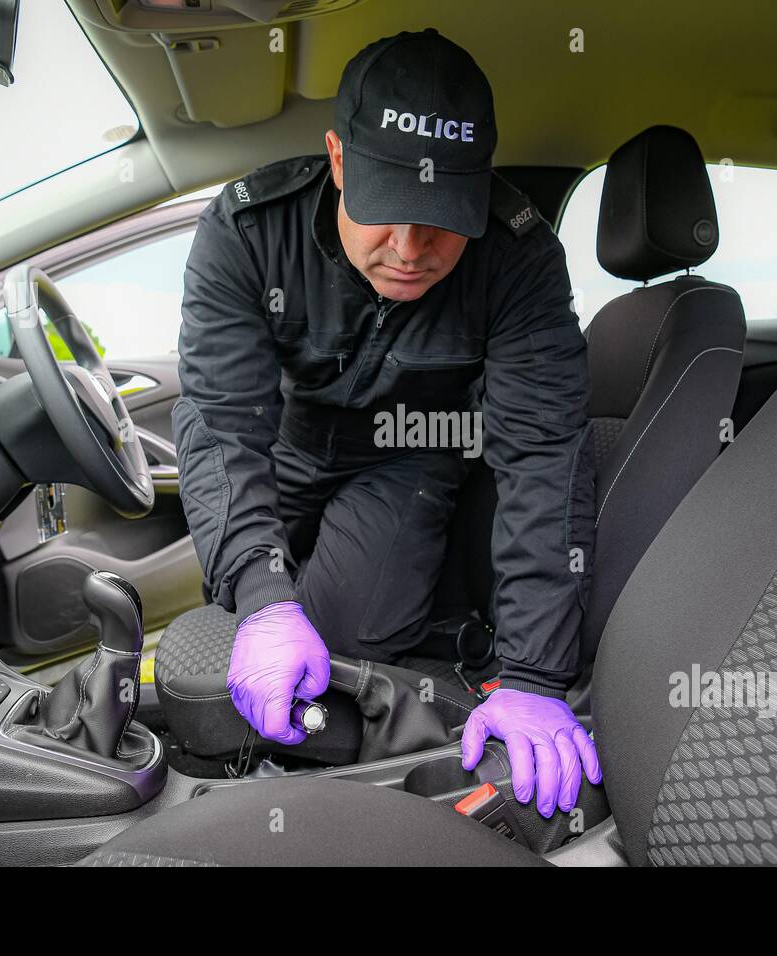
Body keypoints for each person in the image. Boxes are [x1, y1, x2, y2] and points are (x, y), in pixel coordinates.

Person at [174, 28, 599, 817]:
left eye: (440, 219)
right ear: (338, 161)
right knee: (251, 605)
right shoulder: (247, 231)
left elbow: (543, 456)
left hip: (413, 458)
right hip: (285, 446)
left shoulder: (518, 260)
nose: (409, 250)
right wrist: (263, 594)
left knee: (339, 652)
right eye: (388, 213)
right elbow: (223, 425)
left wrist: (538, 677)